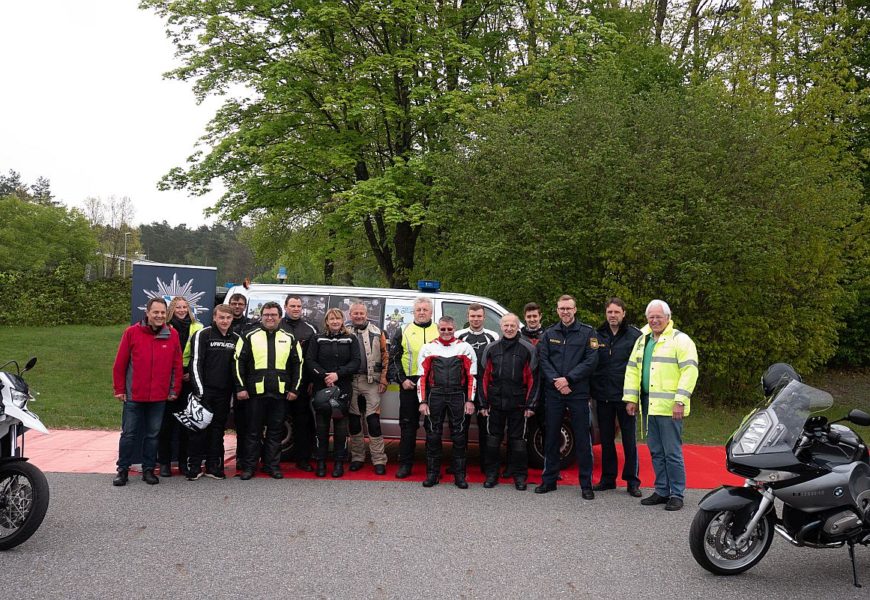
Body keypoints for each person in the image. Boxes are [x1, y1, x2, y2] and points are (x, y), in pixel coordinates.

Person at [624, 299, 699, 511]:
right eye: (651, 317)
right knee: (656, 450)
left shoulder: (680, 340)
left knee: (672, 452)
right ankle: (662, 490)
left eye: (659, 317)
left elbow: (690, 371)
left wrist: (680, 401)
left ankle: (677, 493)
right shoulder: (643, 340)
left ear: (668, 317)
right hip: (649, 404)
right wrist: (631, 398)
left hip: (670, 406)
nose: (655, 320)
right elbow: (632, 370)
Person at [111, 297, 183, 486]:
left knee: (152, 435)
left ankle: (149, 469)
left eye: (162, 313)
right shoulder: (131, 333)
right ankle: (122, 470)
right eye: (156, 312)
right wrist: (119, 389)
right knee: (129, 434)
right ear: (148, 313)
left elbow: (177, 365)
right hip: (134, 394)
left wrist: (175, 389)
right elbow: (120, 364)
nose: (159, 316)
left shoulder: (172, 335)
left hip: (159, 396)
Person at [534, 295, 600, 499]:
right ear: (557, 310)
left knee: (582, 438)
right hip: (554, 393)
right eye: (561, 308)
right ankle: (549, 480)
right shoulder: (549, 334)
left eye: (568, 308)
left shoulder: (588, 333)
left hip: (577, 393)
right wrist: (558, 381)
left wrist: (569, 380)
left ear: (575, 309)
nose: (565, 311)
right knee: (552, 437)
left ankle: (586, 485)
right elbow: (543, 360)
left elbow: (591, 361)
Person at [234, 301, 303, 480]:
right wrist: (240, 387)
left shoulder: (289, 337)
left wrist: (295, 389)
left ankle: (271, 465)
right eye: (266, 315)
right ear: (261, 316)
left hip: (280, 392)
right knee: (253, 431)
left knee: (275, 432)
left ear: (280, 317)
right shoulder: (249, 335)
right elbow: (237, 362)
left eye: (273, 315)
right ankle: (249, 467)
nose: (270, 318)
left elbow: (298, 365)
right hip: (255, 392)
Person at [479, 314, 539, 490]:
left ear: (517, 326)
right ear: (501, 326)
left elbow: (533, 379)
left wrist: (531, 404)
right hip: (495, 402)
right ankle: (492, 475)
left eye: (512, 325)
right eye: (506, 325)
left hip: (519, 404)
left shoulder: (528, 349)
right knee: (492, 440)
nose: (509, 328)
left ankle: (520, 476)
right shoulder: (491, 348)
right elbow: (483, 377)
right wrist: (483, 403)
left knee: (518, 442)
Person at [591, 298, 643, 497]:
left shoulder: (635, 336)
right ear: (606, 313)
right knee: (606, 439)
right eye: (609, 312)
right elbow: (592, 362)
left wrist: (635, 397)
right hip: (602, 395)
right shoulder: (596, 335)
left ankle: (632, 481)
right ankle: (608, 478)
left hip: (625, 396)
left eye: (616, 312)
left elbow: (639, 368)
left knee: (629, 440)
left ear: (623, 313)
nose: (612, 315)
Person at [417, 315, 477, 488]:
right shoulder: (428, 347)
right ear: (438, 329)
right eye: (442, 329)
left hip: (458, 395)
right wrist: (422, 401)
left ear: (454, 328)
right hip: (435, 395)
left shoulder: (465, 347)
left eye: (449, 329)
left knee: (459, 436)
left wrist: (470, 400)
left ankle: (460, 476)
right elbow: (421, 377)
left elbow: (472, 376)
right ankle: (432, 475)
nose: (446, 332)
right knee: (433, 435)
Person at [185, 304, 240, 480]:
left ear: (232, 319)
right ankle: (194, 467)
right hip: (204, 392)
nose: (225, 321)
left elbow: (237, 367)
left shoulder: (237, 338)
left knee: (218, 431)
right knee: (198, 430)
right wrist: (199, 391)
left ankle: (212, 466)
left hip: (224, 395)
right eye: (221, 317)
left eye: (228, 318)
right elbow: (195, 363)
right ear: (214, 317)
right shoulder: (203, 334)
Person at [306, 308, 361, 478]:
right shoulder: (317, 338)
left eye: (338, 318)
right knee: (321, 428)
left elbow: (356, 362)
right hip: (321, 387)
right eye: (332, 319)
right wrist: (324, 376)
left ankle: (339, 463)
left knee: (340, 428)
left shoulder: (351, 338)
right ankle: (321, 462)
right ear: (327, 321)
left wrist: (338, 374)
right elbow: (310, 360)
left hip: (342, 387)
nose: (335, 321)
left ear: (343, 320)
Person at [388, 297, 438, 478]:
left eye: (425, 309)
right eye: (419, 310)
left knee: (432, 426)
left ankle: (432, 466)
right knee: (408, 426)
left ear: (431, 312)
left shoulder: (439, 330)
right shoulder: (403, 330)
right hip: (409, 383)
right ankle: (405, 464)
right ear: (414, 312)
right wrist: (402, 380)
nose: (422, 312)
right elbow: (393, 358)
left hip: (432, 385)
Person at [157, 296, 203, 477]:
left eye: (185, 307)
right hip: (169, 378)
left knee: (186, 425)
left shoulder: (198, 327)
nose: (182, 310)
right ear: (171, 310)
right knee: (165, 425)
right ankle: (165, 463)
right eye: (178, 307)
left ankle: (184, 462)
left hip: (189, 378)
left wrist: (190, 373)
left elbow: (201, 355)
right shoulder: (165, 328)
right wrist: (174, 374)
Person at [456, 303, 499, 473]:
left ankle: (486, 465)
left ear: (484, 317)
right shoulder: (460, 335)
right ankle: (459, 464)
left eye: (479, 316)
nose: (476, 319)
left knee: (485, 428)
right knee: (461, 427)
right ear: (468, 317)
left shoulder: (493, 336)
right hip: (463, 388)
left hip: (485, 388)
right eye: (473, 316)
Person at [347, 302, 389, 475]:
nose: (358, 316)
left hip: (371, 381)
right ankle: (357, 457)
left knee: (373, 421)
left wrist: (384, 380)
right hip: (350, 381)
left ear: (367, 314)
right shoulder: (345, 332)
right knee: (354, 421)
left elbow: (386, 356)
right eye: (355, 313)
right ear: (350, 315)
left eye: (361, 313)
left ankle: (379, 459)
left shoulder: (378, 332)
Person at [281, 294, 319, 472]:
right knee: (275, 422)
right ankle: (270, 460)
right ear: (285, 306)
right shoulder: (276, 325)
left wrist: (312, 380)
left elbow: (313, 358)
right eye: (292, 306)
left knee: (302, 423)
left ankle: (303, 459)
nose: (296, 309)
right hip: (279, 382)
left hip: (302, 384)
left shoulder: (309, 328)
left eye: (298, 306)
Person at [227, 292, 256, 471]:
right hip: (223, 377)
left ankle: (242, 457)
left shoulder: (251, 325)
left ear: (245, 306)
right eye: (234, 303)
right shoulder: (221, 323)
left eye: (240, 304)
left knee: (243, 421)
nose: (237, 306)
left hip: (243, 378)